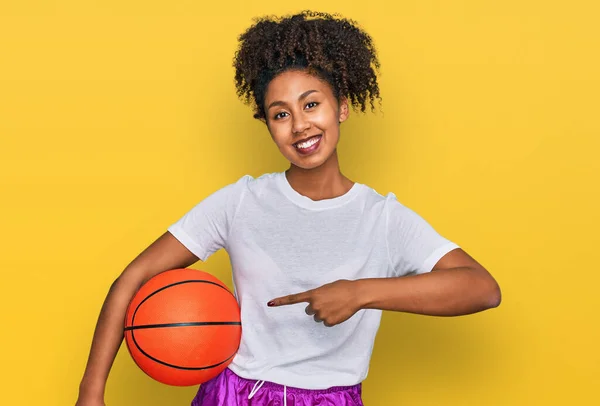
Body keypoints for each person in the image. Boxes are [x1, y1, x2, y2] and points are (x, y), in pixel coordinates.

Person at [76, 10, 501, 406]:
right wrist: (90, 394)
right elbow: (132, 278)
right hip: (235, 392)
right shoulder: (239, 202)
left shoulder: (383, 219)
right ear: (267, 124)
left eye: (312, 104)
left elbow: (481, 288)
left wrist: (360, 293)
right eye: (281, 114)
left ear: (343, 107)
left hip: (332, 397)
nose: (299, 125)